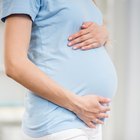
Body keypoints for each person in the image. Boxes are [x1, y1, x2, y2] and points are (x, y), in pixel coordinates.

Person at [0, 0, 118, 140]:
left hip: (89, 121)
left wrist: (104, 33)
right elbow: (14, 64)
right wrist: (78, 105)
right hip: (57, 119)